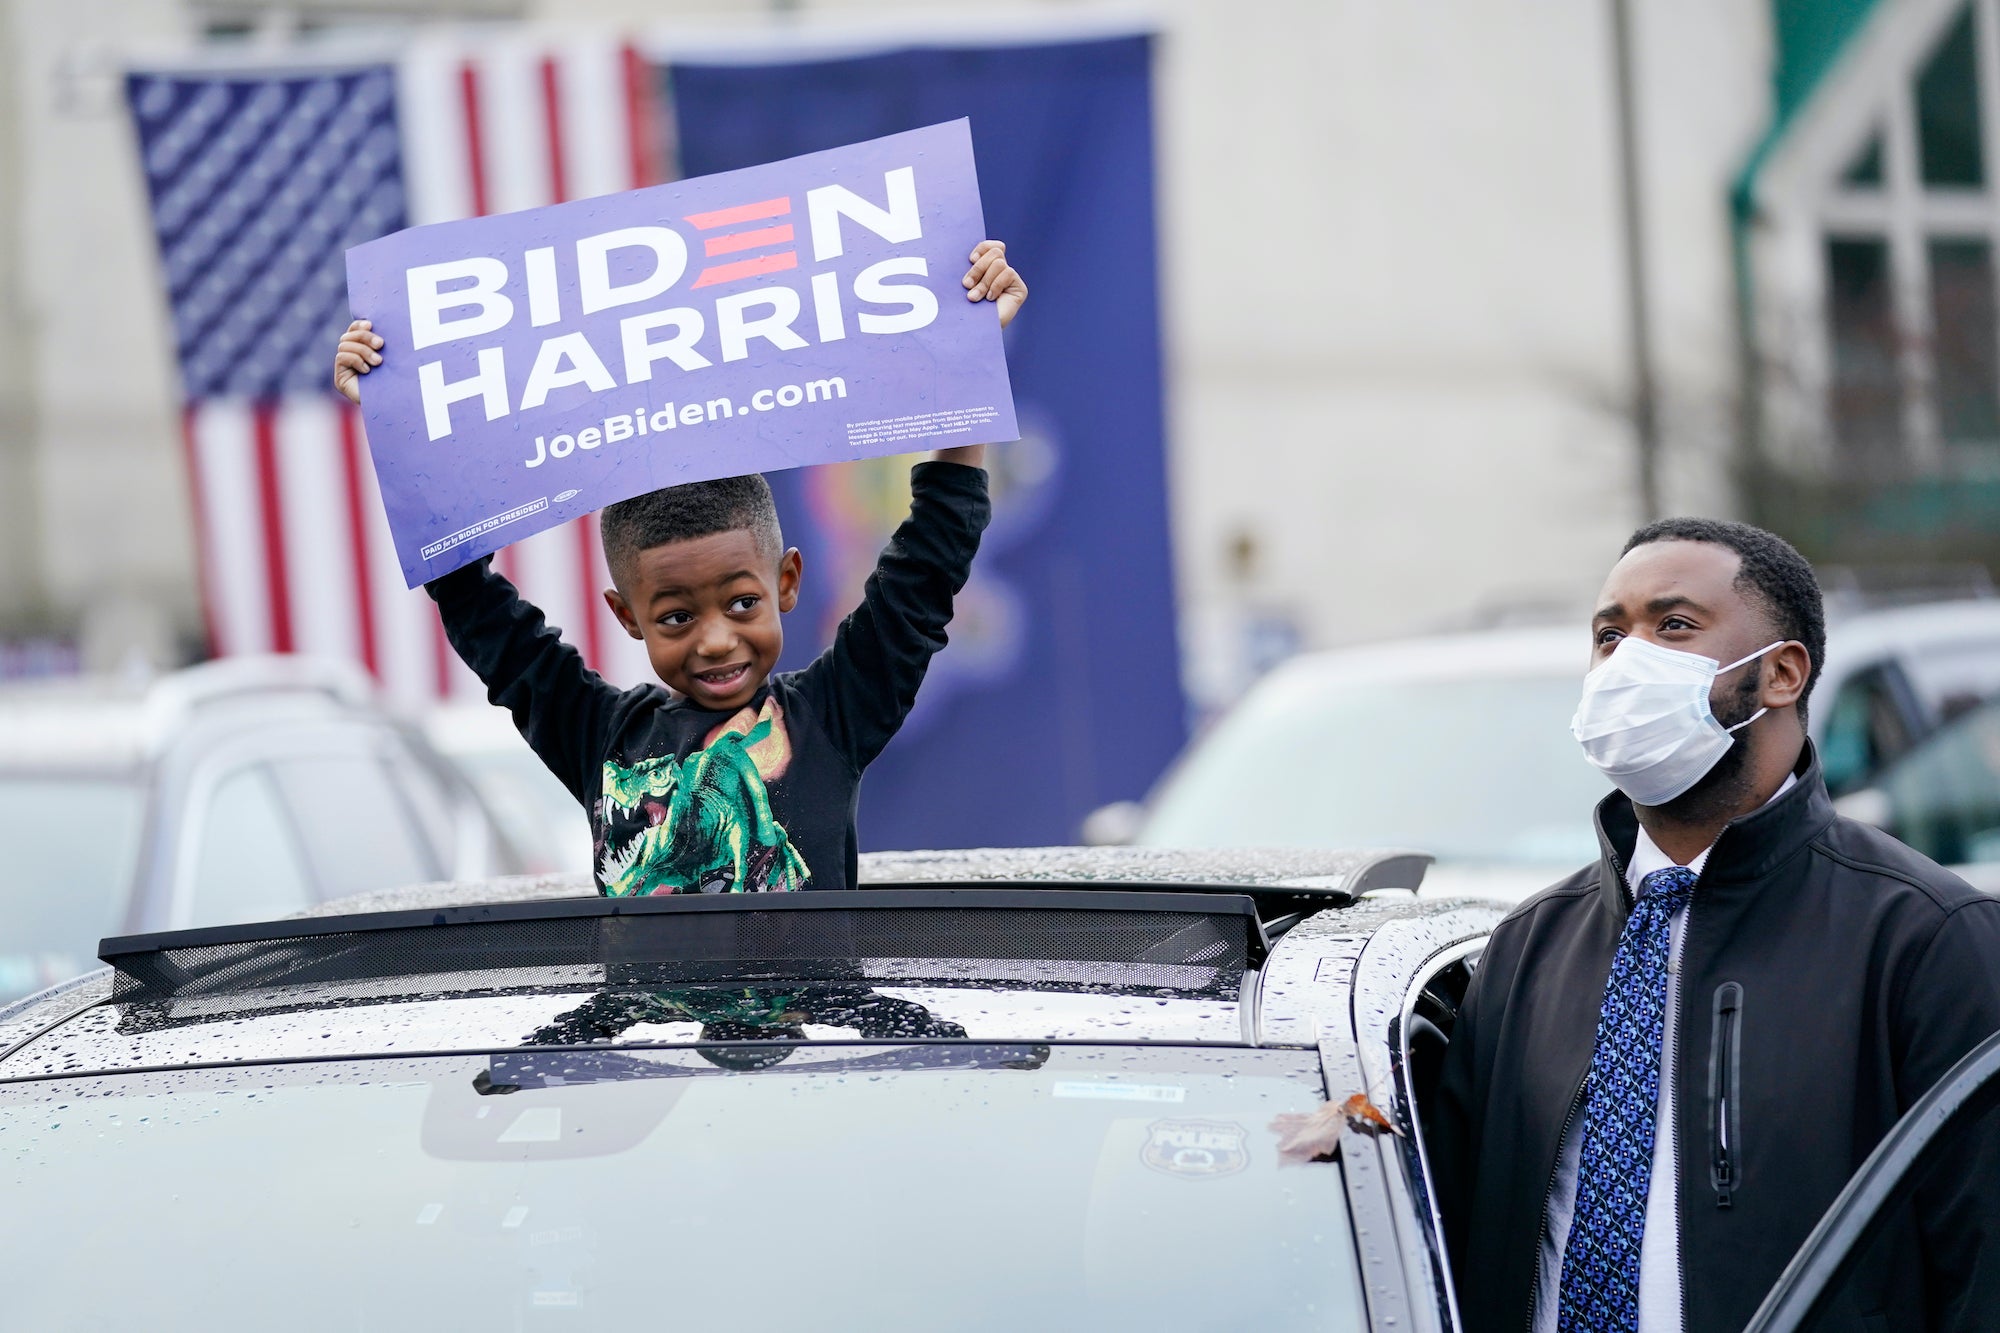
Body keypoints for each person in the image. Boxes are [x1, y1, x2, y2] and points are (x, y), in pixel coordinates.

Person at [1429, 518, 2000, 1332]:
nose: (1627, 660)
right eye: (1608, 633)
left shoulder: (1930, 940)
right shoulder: (1529, 947)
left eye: (1673, 626)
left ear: (1780, 672)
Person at [335, 241, 1026, 895]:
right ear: (626, 615)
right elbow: (476, 606)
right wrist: (397, 416)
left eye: (742, 603)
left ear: (786, 582)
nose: (716, 638)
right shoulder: (596, 735)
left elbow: (926, 567)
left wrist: (969, 358)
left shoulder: (834, 715)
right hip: (650, 1028)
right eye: (675, 616)